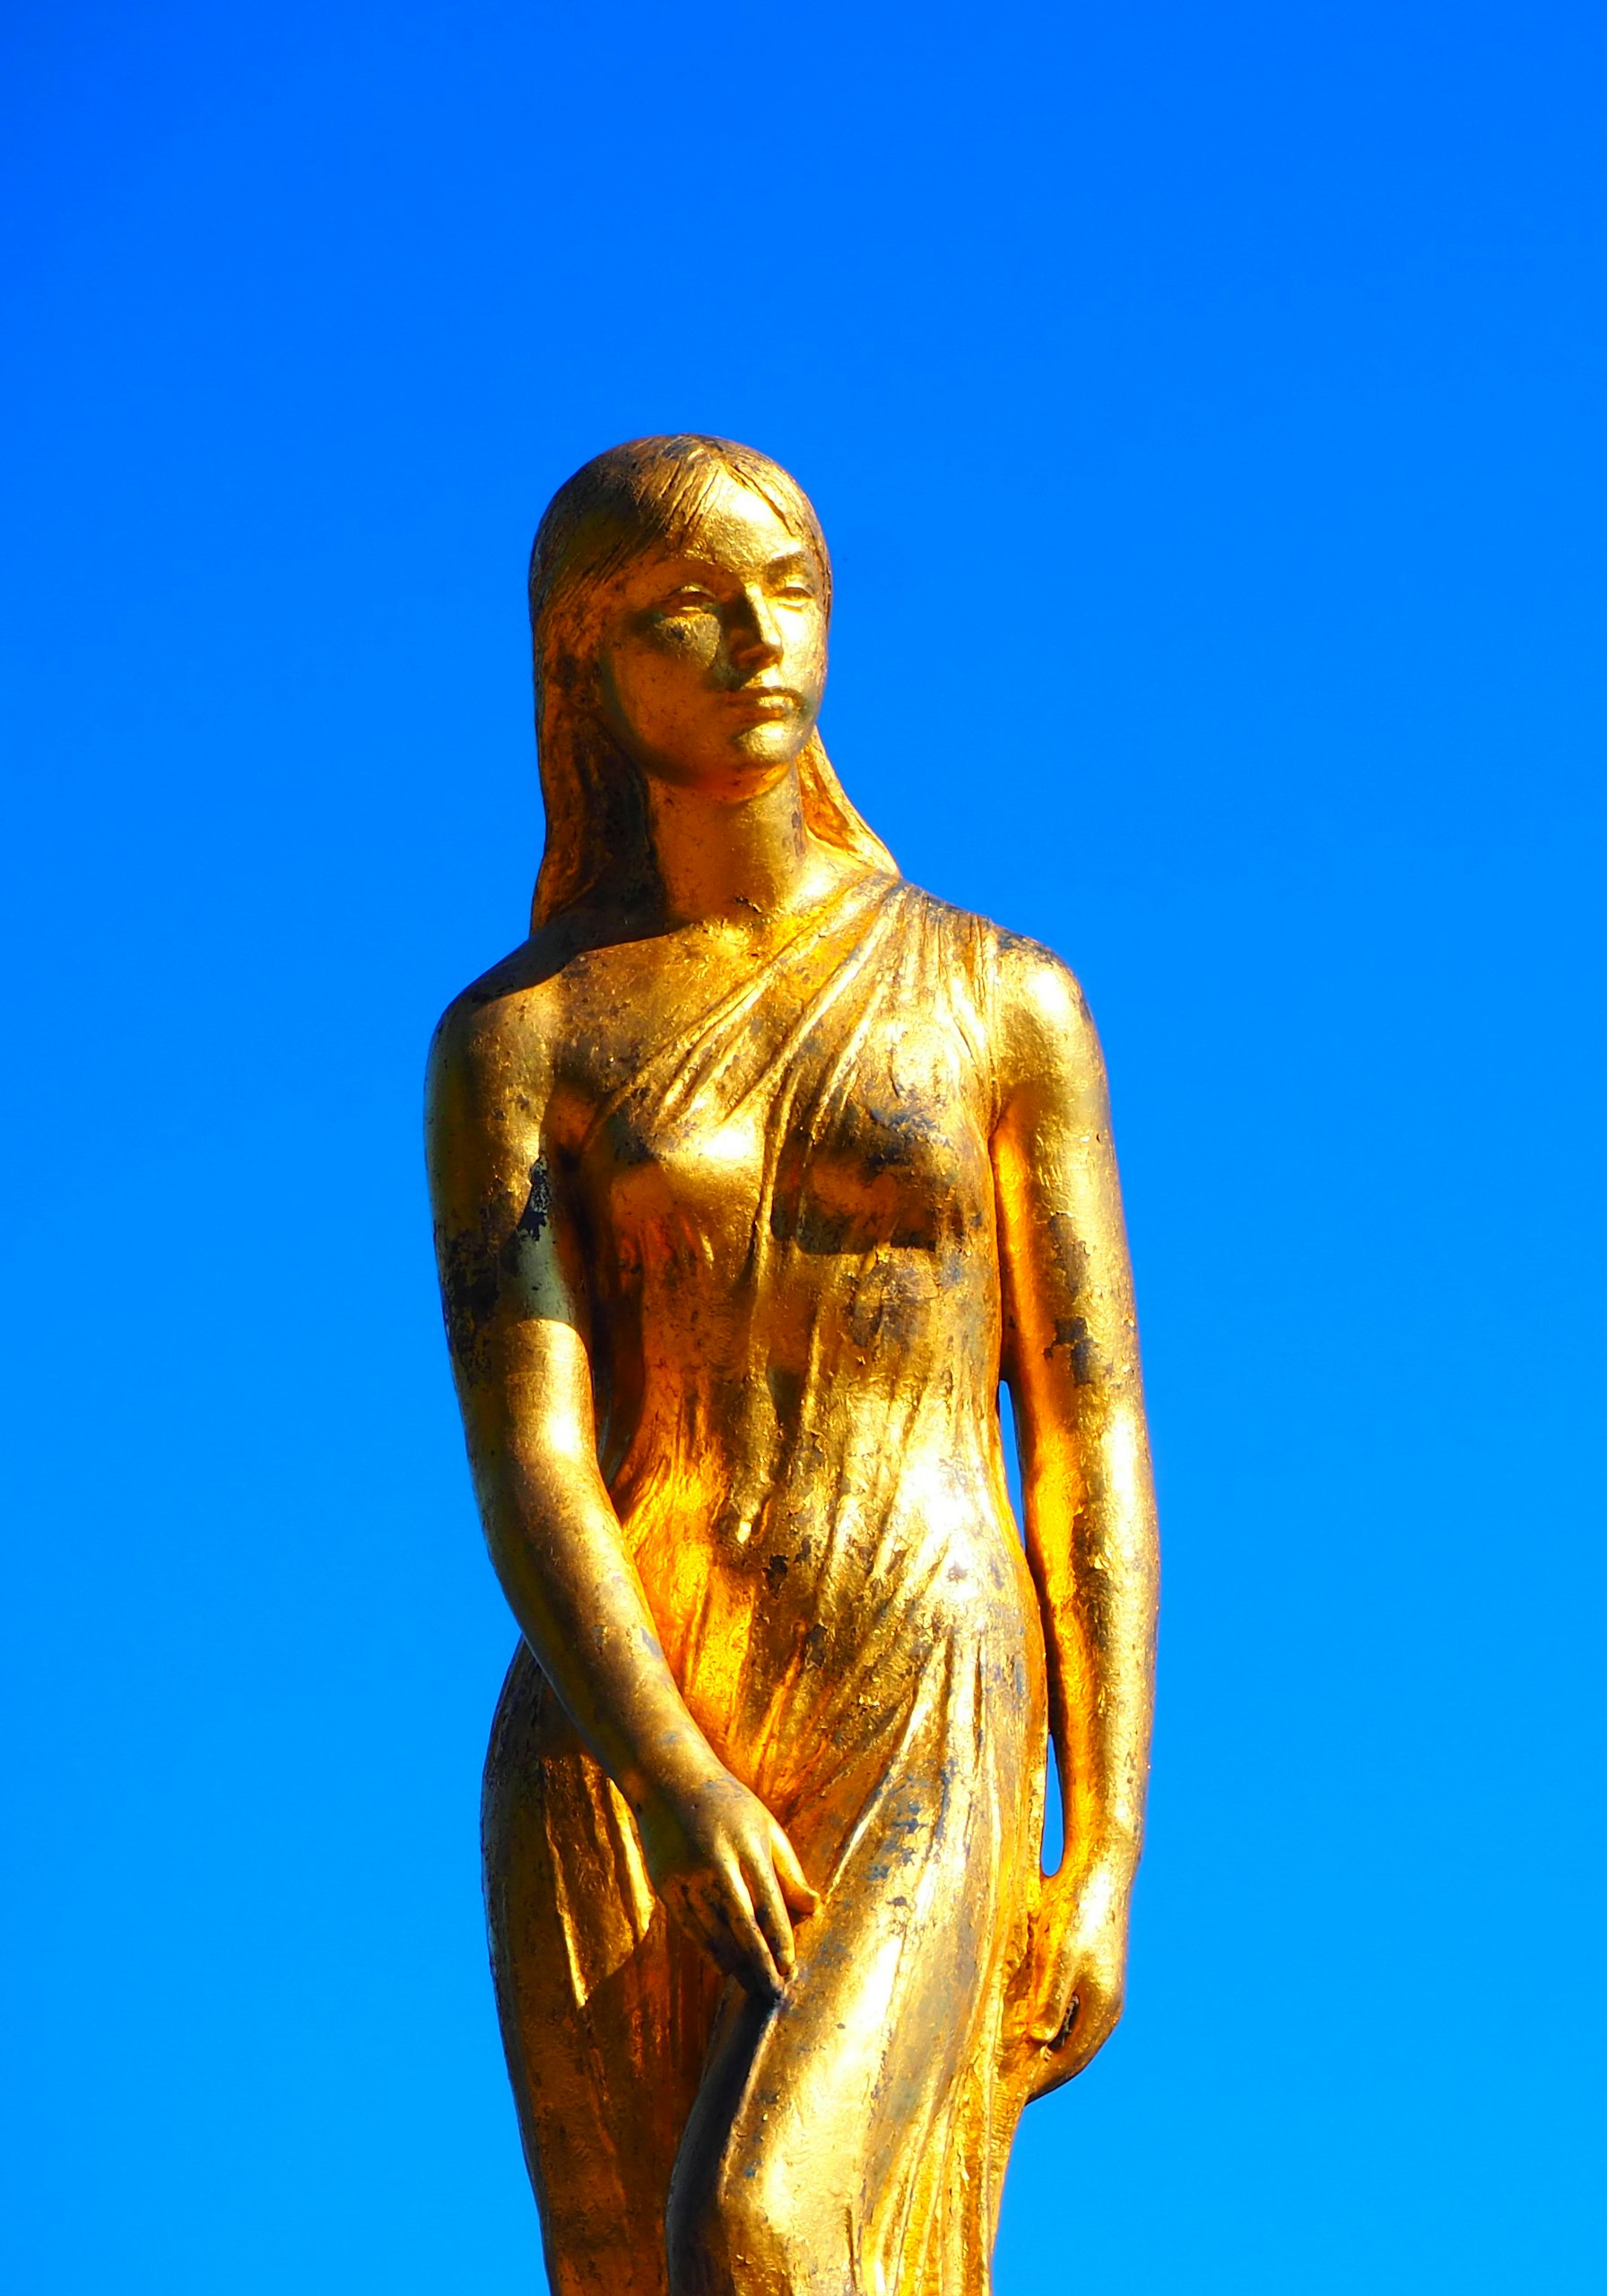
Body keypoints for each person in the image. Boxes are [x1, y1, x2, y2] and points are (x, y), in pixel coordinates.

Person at [426, 435, 1157, 2295]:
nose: (759, 638)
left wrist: (1108, 1841)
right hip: (628, 1713)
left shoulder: (1003, 997)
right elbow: (532, 1450)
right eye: (692, 604)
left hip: (921, 1669)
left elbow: (1085, 1418)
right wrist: (673, 1771)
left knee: (766, 2229)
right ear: (588, 655)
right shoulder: (526, 1036)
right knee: (627, 2267)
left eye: (795, 589)